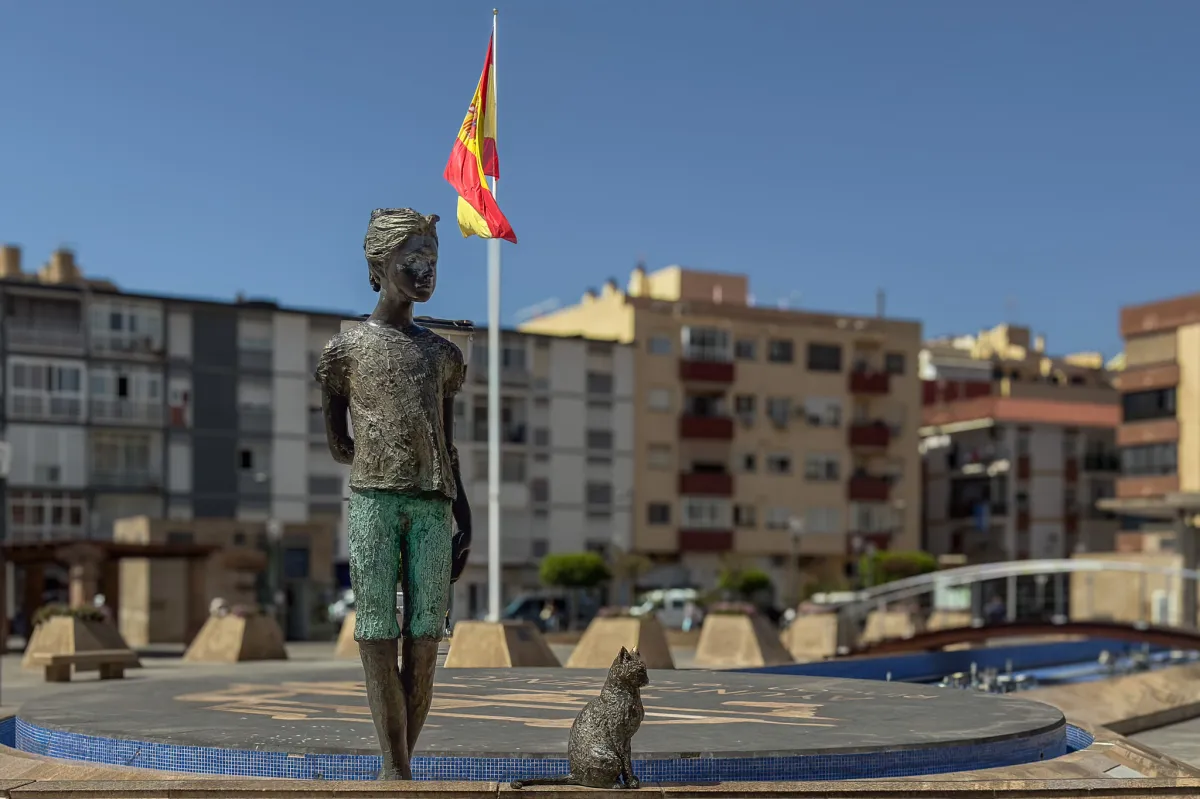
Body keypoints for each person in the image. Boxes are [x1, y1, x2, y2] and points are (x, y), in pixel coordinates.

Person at [316, 209, 471, 781]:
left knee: (426, 635)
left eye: (432, 260)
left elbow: (448, 444)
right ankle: (396, 771)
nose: (426, 271)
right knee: (377, 632)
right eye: (413, 260)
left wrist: (464, 516)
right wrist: (382, 450)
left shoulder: (442, 355)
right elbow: (338, 444)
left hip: (434, 503)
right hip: (374, 503)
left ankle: (399, 771)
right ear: (378, 266)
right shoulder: (346, 350)